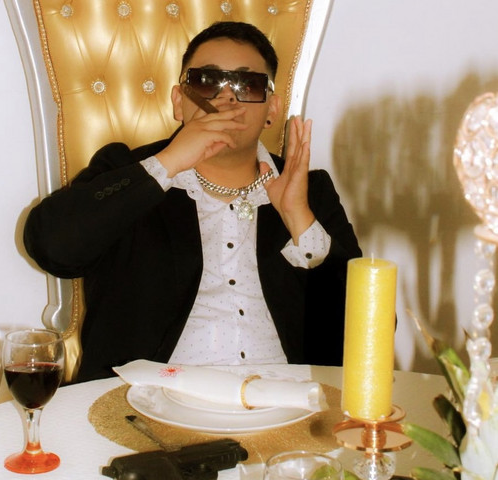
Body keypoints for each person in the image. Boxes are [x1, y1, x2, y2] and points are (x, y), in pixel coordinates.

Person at [24, 21, 361, 382]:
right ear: (178, 102)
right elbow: (52, 248)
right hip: (145, 403)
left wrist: (300, 220)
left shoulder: (309, 190)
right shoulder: (125, 172)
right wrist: (167, 164)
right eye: (206, 81)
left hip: (284, 400)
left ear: (272, 110)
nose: (227, 99)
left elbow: (365, 331)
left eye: (247, 85)